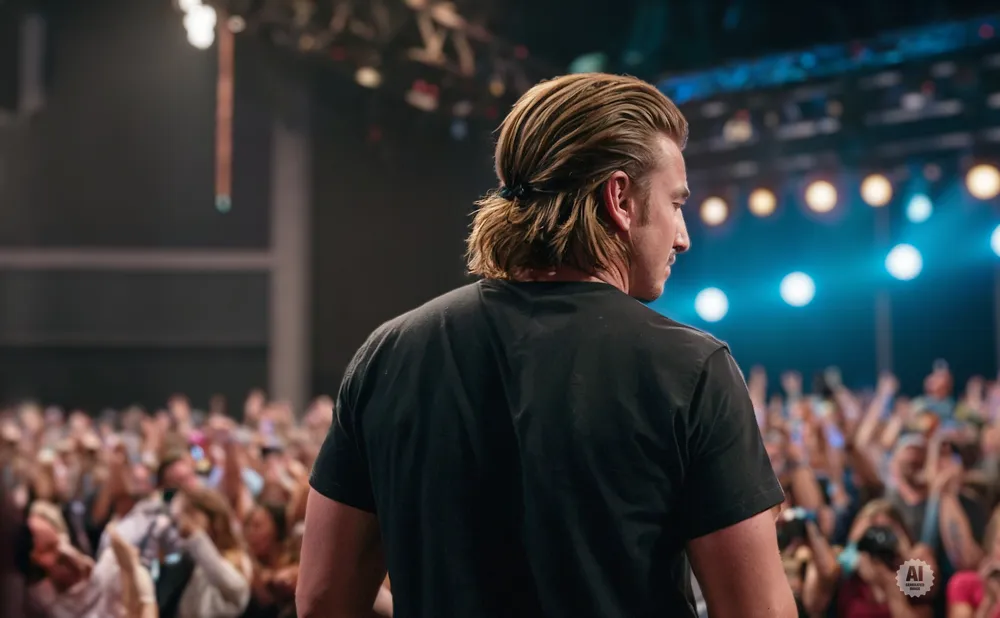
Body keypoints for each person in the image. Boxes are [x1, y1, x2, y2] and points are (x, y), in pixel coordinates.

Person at [297, 72, 795, 618]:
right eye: (675, 203)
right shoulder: (692, 369)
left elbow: (323, 599)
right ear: (621, 198)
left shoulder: (387, 354)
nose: (683, 236)